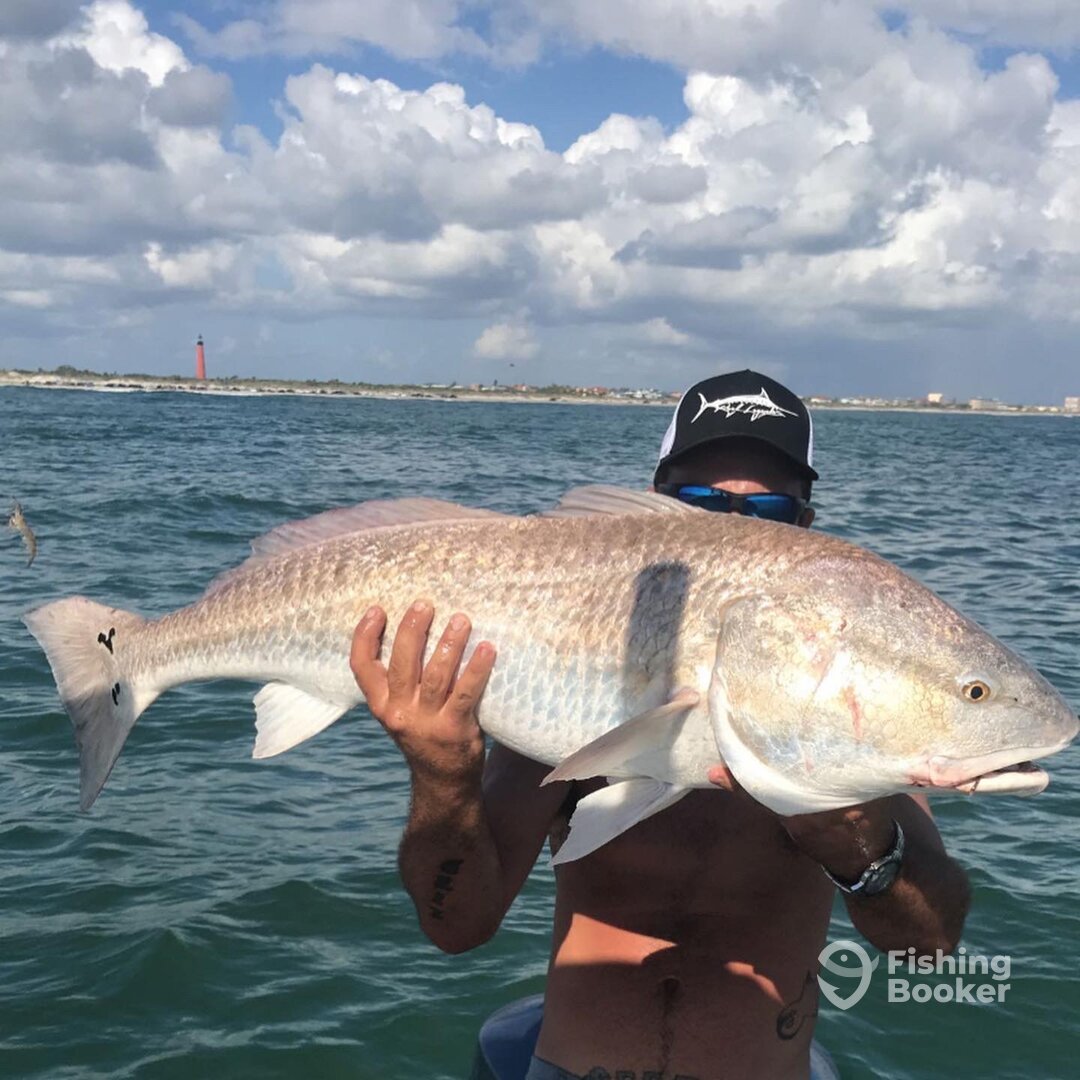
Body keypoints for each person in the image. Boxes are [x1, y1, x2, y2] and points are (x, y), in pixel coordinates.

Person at [349, 370, 972, 1080]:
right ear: (650, 510)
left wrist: (864, 853)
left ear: (803, 527)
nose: (730, 528)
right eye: (698, 503)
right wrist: (442, 776)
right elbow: (456, 927)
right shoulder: (571, 694)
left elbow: (930, 949)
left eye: (765, 509)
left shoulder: (845, 710)